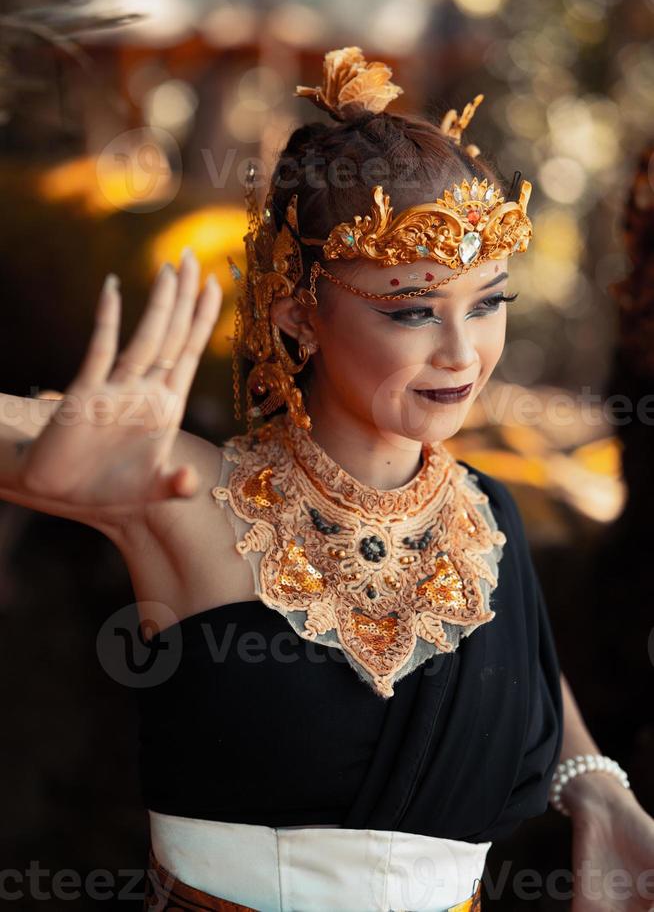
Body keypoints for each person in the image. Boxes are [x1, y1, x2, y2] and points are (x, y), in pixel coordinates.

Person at [1, 46, 653, 912]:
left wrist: (597, 790)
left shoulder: (488, 517)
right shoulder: (186, 497)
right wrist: (37, 458)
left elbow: (523, 671)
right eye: (412, 309)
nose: (462, 354)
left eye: (489, 301)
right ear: (298, 314)